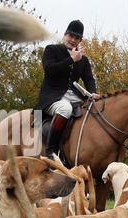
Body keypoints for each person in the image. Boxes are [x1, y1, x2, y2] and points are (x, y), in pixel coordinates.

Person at [33, 19, 100, 161]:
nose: (73, 40)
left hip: (74, 96)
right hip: (52, 97)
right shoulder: (51, 50)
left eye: (77, 38)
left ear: (80, 40)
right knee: (65, 109)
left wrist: (92, 92)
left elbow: (89, 79)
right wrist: (71, 60)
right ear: (65, 34)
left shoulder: (84, 60)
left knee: (94, 109)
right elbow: (49, 70)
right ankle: (50, 152)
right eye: (71, 36)